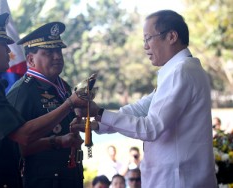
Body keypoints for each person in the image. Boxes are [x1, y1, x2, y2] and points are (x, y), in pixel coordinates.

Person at [71, 10, 217, 188]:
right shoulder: (182, 69)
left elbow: (151, 128)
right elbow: (141, 108)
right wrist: (98, 123)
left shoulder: (181, 71)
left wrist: (100, 112)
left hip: (177, 181)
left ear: (171, 36)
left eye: (148, 38)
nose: (145, 46)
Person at [0, 13, 86, 188]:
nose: (9, 51)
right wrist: (69, 104)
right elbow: (23, 136)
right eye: (3, 45)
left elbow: (11, 143)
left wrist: (58, 141)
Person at [6, 22, 84, 188]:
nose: (57, 56)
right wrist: (57, 141)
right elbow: (14, 146)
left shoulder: (63, 86)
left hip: (70, 176)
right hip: (43, 180)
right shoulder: (23, 92)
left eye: (58, 50)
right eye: (48, 52)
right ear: (30, 59)